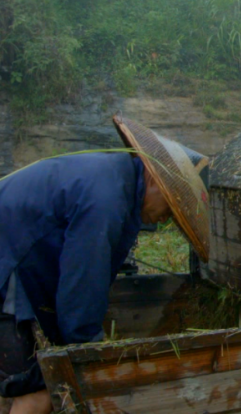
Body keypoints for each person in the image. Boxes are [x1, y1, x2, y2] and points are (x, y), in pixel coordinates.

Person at [0, 115, 211, 414]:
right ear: (154, 179)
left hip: (14, 258)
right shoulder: (107, 199)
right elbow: (82, 283)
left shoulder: (116, 179)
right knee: (35, 391)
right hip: (8, 262)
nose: (166, 219)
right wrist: (90, 353)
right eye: (170, 208)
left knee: (14, 382)